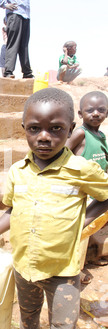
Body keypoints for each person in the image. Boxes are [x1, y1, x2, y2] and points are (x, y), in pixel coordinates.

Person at [0, 87, 108, 329]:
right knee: (28, 312)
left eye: (55, 129)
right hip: (24, 263)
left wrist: (84, 222)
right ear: (24, 130)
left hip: (62, 271)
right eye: (35, 129)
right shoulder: (18, 171)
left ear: (71, 130)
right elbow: (11, 209)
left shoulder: (80, 170)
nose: (44, 137)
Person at [66, 91, 108, 283]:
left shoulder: (101, 136)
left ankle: (84, 261)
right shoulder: (81, 133)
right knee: (78, 233)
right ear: (80, 114)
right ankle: (75, 268)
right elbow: (63, 154)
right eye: (90, 110)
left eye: (101, 109)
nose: (96, 113)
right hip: (80, 192)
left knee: (84, 232)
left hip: (96, 191)